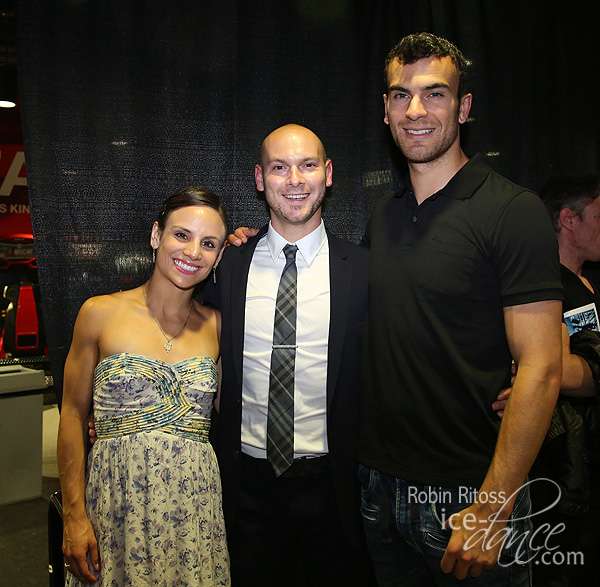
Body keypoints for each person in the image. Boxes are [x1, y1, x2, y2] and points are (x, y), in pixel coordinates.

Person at [356, 32, 564, 585]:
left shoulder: (512, 211)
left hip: (468, 494)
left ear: (464, 106)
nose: (415, 110)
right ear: (385, 109)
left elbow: (542, 369)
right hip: (376, 490)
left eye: (435, 94)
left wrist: (495, 508)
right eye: (400, 95)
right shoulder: (383, 216)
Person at [202, 123, 375, 586]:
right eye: (279, 168)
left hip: (335, 489)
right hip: (247, 486)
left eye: (307, 165)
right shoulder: (227, 264)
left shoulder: (364, 269)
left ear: (329, 173)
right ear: (260, 179)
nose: (295, 180)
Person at [57, 187, 230, 585]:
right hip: (116, 506)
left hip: (194, 511)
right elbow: (70, 414)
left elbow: (241, 412)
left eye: (208, 243)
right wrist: (74, 515)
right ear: (156, 236)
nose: (192, 253)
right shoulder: (100, 313)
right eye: (181, 235)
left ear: (219, 257)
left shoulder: (218, 326)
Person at [518, 175, 600, 585]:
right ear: (569, 219)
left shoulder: (587, 282)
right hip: (558, 469)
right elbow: (547, 369)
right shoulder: (543, 286)